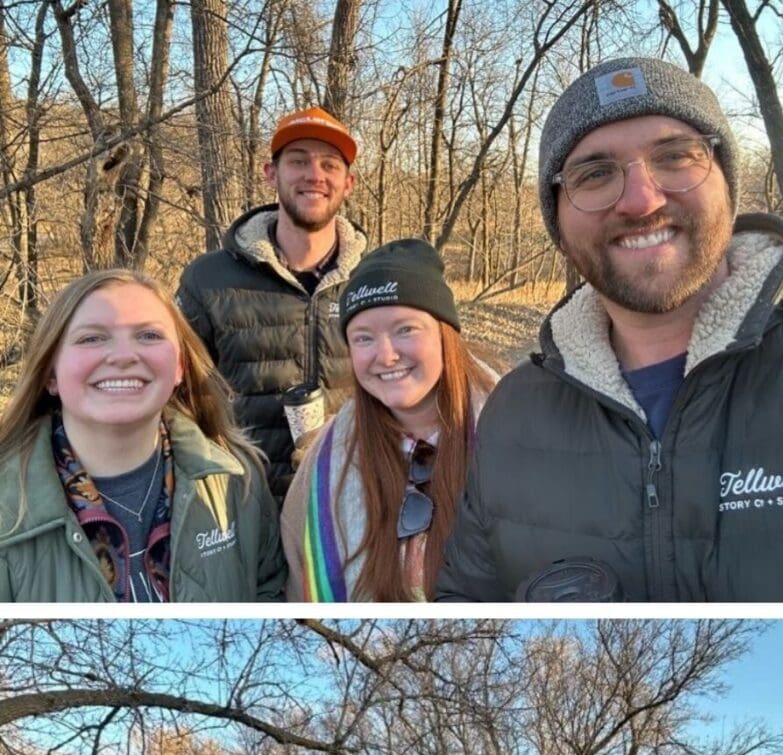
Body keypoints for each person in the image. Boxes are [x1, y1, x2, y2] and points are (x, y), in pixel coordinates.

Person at [434, 57, 783, 602]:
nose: (641, 200)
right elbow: (467, 603)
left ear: (727, 182)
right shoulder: (515, 410)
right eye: (595, 174)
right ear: (558, 224)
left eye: (675, 156)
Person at [0, 269, 285, 602]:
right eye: (92, 338)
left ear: (180, 366)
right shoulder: (8, 506)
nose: (123, 356)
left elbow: (272, 595)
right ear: (51, 373)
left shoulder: (237, 481)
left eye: (149, 335)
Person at [282, 240, 497, 600]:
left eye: (405, 330)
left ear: (445, 335)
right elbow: (300, 589)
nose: (386, 355)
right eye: (364, 338)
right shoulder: (324, 466)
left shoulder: (515, 433)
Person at [176, 106, 368, 502]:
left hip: (349, 502)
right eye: (298, 161)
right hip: (242, 505)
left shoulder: (375, 281)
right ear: (270, 174)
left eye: (329, 165)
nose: (314, 175)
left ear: (348, 184)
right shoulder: (208, 280)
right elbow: (176, 399)